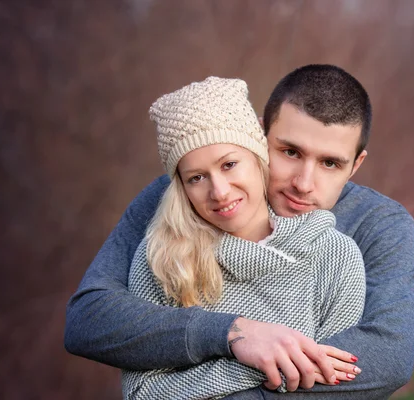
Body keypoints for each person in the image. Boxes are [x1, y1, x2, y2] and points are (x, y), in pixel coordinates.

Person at [65, 64, 414, 399]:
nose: (303, 183)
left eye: (331, 163)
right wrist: (231, 333)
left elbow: (386, 357)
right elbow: (89, 319)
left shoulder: (377, 224)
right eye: (290, 151)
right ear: (261, 133)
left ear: (356, 164)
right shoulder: (182, 198)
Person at [121, 76, 366, 399]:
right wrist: (254, 358)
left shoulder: (337, 256)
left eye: (230, 164)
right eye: (196, 178)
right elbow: (142, 393)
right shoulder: (164, 257)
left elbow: (332, 385)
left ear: (258, 154)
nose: (219, 192)